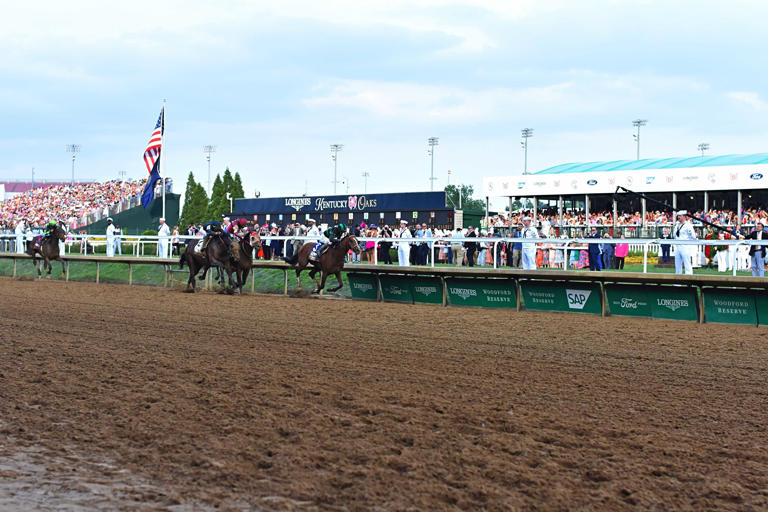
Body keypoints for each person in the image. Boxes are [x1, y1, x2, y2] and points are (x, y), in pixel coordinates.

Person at [673, 210, 697, 275]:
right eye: (678, 216)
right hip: (677, 246)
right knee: (677, 265)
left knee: (687, 264)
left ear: (684, 216)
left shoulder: (688, 225)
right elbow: (674, 235)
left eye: (680, 216)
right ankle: (677, 283)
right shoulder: (677, 225)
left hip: (685, 246)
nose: (678, 217)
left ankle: (689, 280)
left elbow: (693, 236)